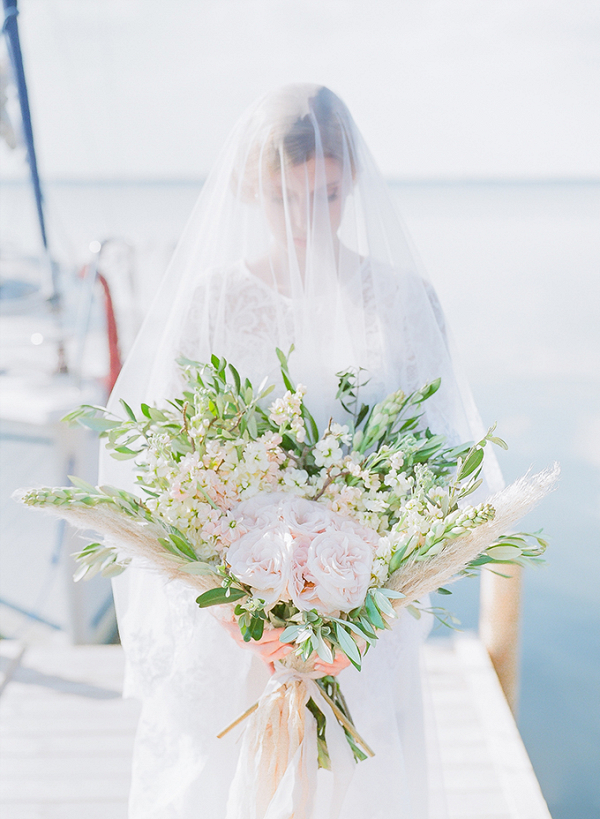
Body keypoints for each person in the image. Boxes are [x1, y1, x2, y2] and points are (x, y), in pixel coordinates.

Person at [101, 84, 502, 819]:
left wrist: (361, 598)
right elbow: (174, 466)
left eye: (325, 196)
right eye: (286, 199)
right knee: (229, 778)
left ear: (351, 182)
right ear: (254, 192)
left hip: (363, 614)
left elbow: (441, 461)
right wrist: (248, 609)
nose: (306, 220)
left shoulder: (406, 300)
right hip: (240, 612)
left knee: (360, 778)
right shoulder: (213, 303)